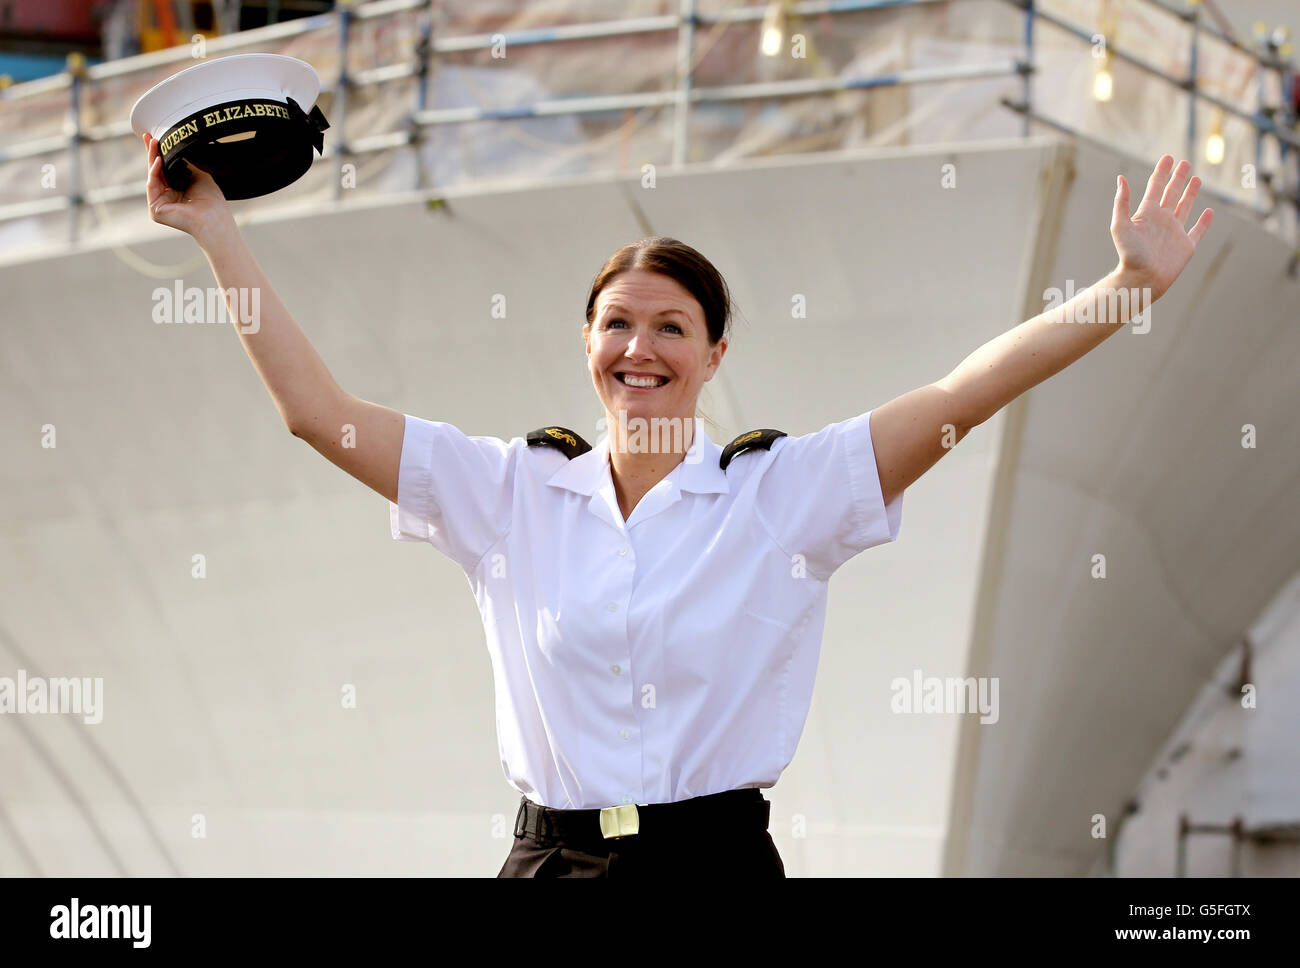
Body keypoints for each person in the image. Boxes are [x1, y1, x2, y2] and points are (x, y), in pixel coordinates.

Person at [143, 134, 1214, 877]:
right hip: (548, 860)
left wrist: (1124, 288)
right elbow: (315, 413)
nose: (638, 348)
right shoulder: (506, 489)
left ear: (714, 354)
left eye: (669, 326)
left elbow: (964, 393)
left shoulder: (784, 492)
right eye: (616, 323)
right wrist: (215, 235)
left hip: (715, 871)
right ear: (587, 343)